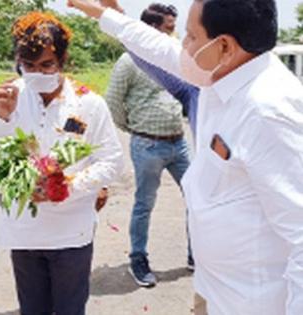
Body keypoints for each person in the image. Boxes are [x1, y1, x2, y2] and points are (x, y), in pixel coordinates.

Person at [69, 1, 303, 315]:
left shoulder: (267, 111)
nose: (182, 44)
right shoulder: (223, 71)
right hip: (216, 288)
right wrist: (103, 14)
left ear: (224, 46)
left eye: (191, 36)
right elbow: (156, 46)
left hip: (253, 303)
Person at [0, 12, 123, 315]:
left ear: (64, 59)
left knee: (70, 309)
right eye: (28, 66)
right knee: (32, 309)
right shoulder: (11, 95)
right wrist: (1, 116)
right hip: (24, 230)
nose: (36, 73)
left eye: (46, 65)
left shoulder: (88, 104)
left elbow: (112, 161)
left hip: (71, 231)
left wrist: (69, 187)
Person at [106, 3, 193, 288]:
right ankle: (138, 258)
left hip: (179, 143)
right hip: (148, 146)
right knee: (144, 204)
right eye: (169, 27)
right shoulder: (129, 61)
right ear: (152, 28)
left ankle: (198, 254)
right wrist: (132, 129)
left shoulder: (175, 57)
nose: (173, 32)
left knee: (198, 198)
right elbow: (113, 103)